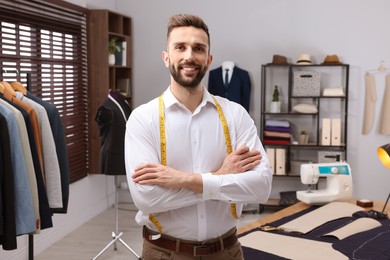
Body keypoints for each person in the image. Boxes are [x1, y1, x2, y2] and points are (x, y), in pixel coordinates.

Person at [125, 14, 272, 260]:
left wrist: (183, 179)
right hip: (165, 253)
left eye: (198, 48)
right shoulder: (143, 119)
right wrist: (220, 178)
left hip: (227, 252)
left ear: (208, 59)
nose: (189, 56)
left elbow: (261, 187)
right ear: (166, 57)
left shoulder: (236, 115)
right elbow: (147, 200)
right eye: (180, 47)